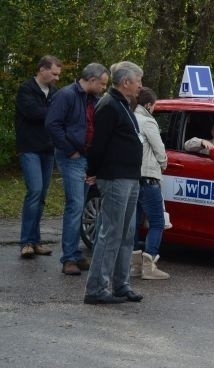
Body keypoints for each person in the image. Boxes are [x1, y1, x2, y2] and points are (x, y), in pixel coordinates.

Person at [84, 61, 144, 305]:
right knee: (111, 234)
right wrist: (94, 171)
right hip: (115, 177)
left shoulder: (123, 104)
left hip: (130, 177)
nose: (141, 85)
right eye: (138, 81)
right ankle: (97, 288)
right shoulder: (109, 105)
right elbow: (98, 144)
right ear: (126, 82)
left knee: (127, 234)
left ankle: (121, 284)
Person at [45, 62, 109, 275]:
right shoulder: (66, 95)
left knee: (79, 206)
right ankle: (69, 257)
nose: (103, 88)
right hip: (72, 156)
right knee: (75, 205)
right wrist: (70, 149)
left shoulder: (93, 99)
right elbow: (52, 124)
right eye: (102, 84)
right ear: (91, 80)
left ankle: (74, 254)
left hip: (85, 156)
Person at [15, 55, 62, 259]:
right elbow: (33, 113)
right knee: (34, 191)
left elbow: (57, 117)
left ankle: (35, 240)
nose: (56, 78)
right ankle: (26, 241)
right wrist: (53, 112)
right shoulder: (27, 89)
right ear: (42, 69)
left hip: (47, 149)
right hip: (29, 148)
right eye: (54, 73)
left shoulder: (54, 92)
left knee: (41, 196)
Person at [131, 87, 169, 280]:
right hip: (148, 177)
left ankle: (136, 265)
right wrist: (164, 164)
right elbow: (159, 149)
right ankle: (149, 263)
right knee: (157, 222)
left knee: (135, 222)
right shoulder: (148, 121)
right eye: (153, 106)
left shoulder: (130, 118)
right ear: (148, 105)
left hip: (133, 178)